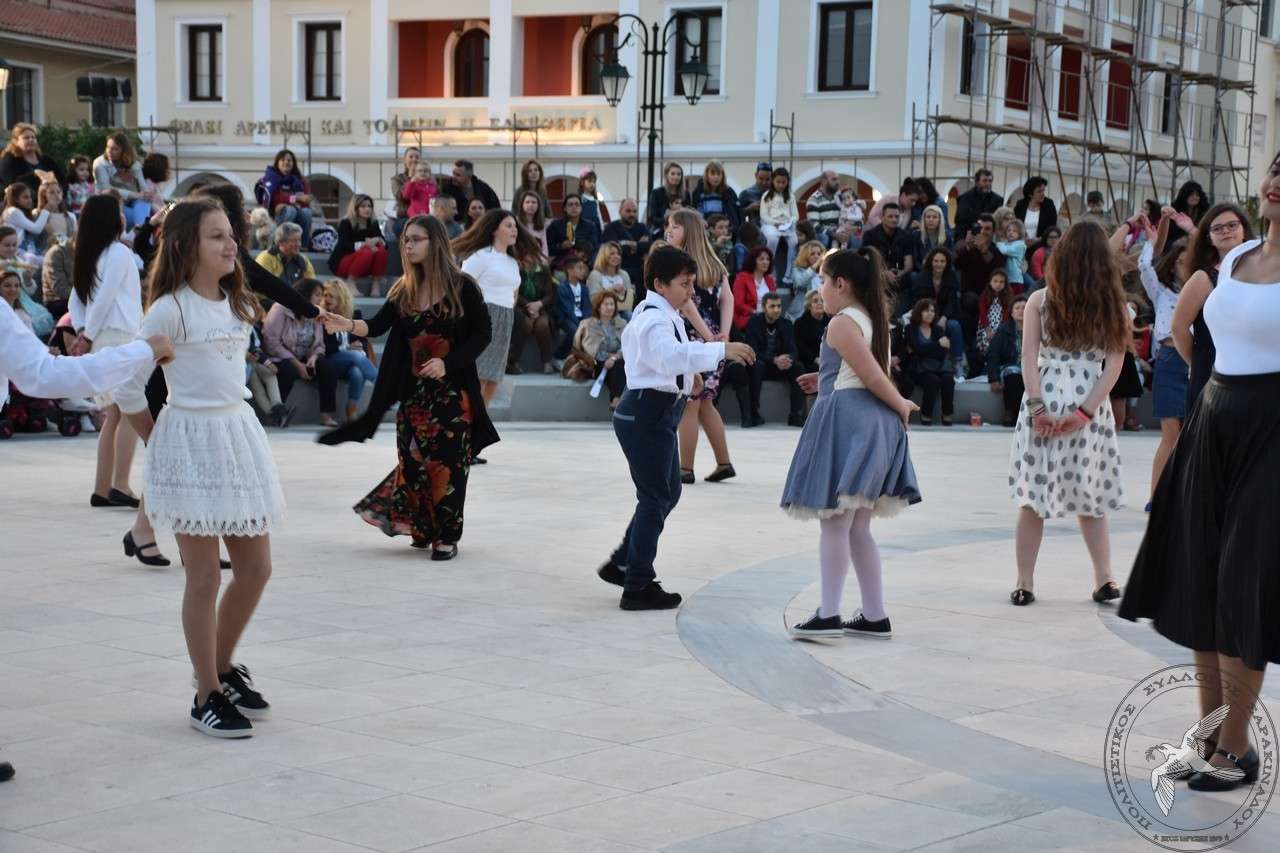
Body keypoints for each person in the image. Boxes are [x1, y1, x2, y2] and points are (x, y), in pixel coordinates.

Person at [1120, 156, 1280, 796]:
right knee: (1202, 578)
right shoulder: (1236, 258)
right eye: (1275, 169)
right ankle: (1211, 736)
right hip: (1215, 419)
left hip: (1273, 431)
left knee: (1244, 584)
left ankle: (1237, 747)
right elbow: (1190, 332)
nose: (1277, 181)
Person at [113, 198, 281, 738]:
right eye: (217, 237)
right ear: (188, 246)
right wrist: (157, 438)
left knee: (256, 569)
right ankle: (206, 694)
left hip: (237, 438)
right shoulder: (169, 310)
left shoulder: (238, 303)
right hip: (190, 445)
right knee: (205, 577)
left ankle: (223, 667)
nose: (231, 245)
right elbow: (127, 384)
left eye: (231, 235)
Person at [320, 214, 499, 561]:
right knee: (414, 463)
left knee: (448, 466)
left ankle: (446, 537)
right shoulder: (404, 289)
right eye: (405, 240)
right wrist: (347, 324)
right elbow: (376, 326)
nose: (408, 245)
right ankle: (425, 527)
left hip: (453, 394)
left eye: (416, 239)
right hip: (414, 396)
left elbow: (483, 334)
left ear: (436, 242)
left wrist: (448, 362)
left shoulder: (462, 286)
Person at [595, 245, 755, 610]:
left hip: (655, 412)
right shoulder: (654, 319)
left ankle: (625, 561)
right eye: (684, 284)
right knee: (655, 497)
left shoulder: (660, 312)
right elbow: (667, 356)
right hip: (645, 414)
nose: (691, 291)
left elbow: (663, 359)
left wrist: (688, 377)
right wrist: (720, 351)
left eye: (691, 283)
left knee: (667, 492)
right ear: (659, 284)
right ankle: (637, 585)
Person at [782, 248, 921, 639]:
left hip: (852, 422)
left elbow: (874, 377)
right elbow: (861, 370)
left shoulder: (842, 323)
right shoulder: (872, 318)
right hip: (872, 422)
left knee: (834, 522)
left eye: (823, 281)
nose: (820, 289)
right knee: (858, 528)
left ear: (841, 284)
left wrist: (901, 403)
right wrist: (823, 376)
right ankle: (874, 614)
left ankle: (828, 613)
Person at [1007, 220, 1129, 607]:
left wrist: (1037, 406)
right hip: (1088, 400)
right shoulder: (1113, 304)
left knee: (1033, 497)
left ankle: (1024, 582)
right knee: (1090, 495)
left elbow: (1028, 357)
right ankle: (1105, 578)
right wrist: (1086, 412)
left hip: (1044, 392)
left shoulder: (1040, 300)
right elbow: (1114, 365)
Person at [68, 195, 169, 566]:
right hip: (120, 335)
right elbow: (107, 297)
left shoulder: (88, 255)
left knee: (113, 415)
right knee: (126, 411)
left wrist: (84, 331)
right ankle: (120, 484)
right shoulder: (119, 254)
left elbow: (77, 302)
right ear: (114, 220)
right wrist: (88, 334)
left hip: (102, 336)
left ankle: (102, 486)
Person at [666, 208, 741, 484]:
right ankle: (724, 462)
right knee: (706, 402)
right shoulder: (715, 262)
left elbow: (687, 305)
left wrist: (708, 338)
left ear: (688, 231)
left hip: (692, 339)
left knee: (690, 403)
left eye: (674, 226)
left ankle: (685, 469)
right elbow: (728, 299)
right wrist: (724, 333)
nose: (668, 230)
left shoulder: (679, 264)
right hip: (715, 341)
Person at [1170, 202, 1253, 415]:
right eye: (1218, 228)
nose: (1226, 231)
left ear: (1244, 229)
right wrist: (1198, 363)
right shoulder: (1203, 278)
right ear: (1209, 238)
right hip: (1212, 377)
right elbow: (1178, 327)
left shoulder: (1264, 273)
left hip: (1256, 375)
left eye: (1232, 225)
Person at [455, 208, 543, 405]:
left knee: (493, 379)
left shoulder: (512, 262)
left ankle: (480, 420)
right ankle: (466, 420)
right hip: (482, 318)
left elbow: (513, 293)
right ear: (495, 229)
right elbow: (461, 289)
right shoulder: (479, 257)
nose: (514, 230)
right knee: (477, 377)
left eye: (515, 226)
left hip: (505, 319)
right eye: (508, 226)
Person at [263, 278, 340, 427]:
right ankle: (278, 413)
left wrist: (314, 357)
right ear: (305, 295)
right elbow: (271, 342)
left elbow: (320, 345)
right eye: (317, 295)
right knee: (288, 371)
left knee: (327, 368)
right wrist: (297, 364)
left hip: (304, 357)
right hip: (280, 357)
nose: (321, 299)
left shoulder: (316, 313)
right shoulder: (281, 309)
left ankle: (326, 415)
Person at [743, 291, 806, 427]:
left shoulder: (786, 324)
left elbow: (794, 350)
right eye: (772, 306)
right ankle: (754, 413)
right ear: (764, 307)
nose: (777, 310)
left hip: (780, 366)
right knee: (758, 365)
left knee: (798, 367)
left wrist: (787, 359)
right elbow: (752, 351)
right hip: (762, 365)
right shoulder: (754, 323)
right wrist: (774, 360)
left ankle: (796, 414)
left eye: (779, 306)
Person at [321, 280, 378, 422]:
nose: (327, 299)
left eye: (331, 296)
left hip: (351, 360)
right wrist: (347, 348)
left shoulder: (354, 314)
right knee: (354, 355)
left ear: (341, 298)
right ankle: (381, 384)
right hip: (331, 360)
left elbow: (363, 340)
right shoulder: (323, 316)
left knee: (357, 372)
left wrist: (360, 347)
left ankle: (351, 408)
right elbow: (325, 347)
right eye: (325, 295)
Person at [905, 247, 966, 377]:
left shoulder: (951, 277)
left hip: (944, 315)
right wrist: (931, 317)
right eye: (936, 261)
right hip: (926, 316)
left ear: (947, 263)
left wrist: (943, 317)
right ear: (931, 262)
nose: (939, 264)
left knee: (954, 325)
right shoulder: (922, 277)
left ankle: (958, 363)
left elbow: (952, 303)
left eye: (942, 261)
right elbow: (918, 303)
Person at [905, 298, 957, 426]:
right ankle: (926, 414)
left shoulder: (938, 330)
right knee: (932, 380)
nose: (930, 313)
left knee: (948, 379)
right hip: (919, 368)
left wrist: (927, 350)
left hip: (937, 366)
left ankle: (947, 414)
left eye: (932, 311)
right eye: (926, 310)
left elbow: (941, 353)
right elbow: (916, 350)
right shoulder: (911, 328)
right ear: (919, 312)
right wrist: (937, 344)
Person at [510, 255, 556, 375]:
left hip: (540, 308)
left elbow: (549, 295)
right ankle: (513, 361)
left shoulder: (544, 269)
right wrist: (529, 306)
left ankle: (547, 361)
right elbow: (514, 293)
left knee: (542, 325)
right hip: (521, 307)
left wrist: (539, 304)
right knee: (525, 324)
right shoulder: (515, 268)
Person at [581, 289, 628, 409]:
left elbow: (628, 346)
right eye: (606, 304)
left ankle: (616, 400)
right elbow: (592, 350)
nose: (610, 307)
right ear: (598, 307)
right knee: (616, 367)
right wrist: (609, 357)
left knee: (619, 365)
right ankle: (616, 399)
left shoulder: (622, 323)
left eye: (612, 304)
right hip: (597, 363)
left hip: (617, 361)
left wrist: (614, 357)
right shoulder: (589, 324)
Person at [93, 133, 150, 229]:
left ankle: (141, 231)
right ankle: (141, 231)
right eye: (108, 147)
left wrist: (147, 194)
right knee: (135, 217)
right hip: (111, 202)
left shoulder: (134, 164)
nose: (109, 151)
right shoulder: (100, 164)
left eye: (115, 149)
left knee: (143, 204)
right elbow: (106, 189)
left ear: (124, 151)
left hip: (133, 201)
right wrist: (135, 195)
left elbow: (143, 186)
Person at [987, 294, 1029, 426]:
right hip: (1010, 366)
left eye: (1024, 307)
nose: (1021, 310)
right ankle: (1010, 413)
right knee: (1014, 376)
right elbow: (993, 355)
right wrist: (994, 378)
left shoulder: (1037, 329)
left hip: (1032, 366)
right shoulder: (1003, 330)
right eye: (1017, 308)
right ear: (1011, 313)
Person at [260, 149, 313, 249]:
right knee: (290, 210)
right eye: (282, 160)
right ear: (277, 162)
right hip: (275, 216)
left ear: (293, 163)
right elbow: (275, 198)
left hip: (297, 212)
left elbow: (305, 201)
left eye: (289, 160)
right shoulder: (272, 178)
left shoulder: (300, 180)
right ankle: (278, 243)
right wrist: (295, 199)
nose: (286, 162)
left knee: (307, 212)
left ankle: (303, 247)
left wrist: (290, 201)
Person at [328, 194, 388, 281]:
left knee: (381, 251)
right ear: (355, 208)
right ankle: (351, 281)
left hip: (364, 265)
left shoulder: (373, 224)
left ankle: (376, 283)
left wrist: (378, 239)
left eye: (369, 206)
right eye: (363, 206)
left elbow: (386, 246)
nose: (367, 209)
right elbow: (343, 246)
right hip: (343, 263)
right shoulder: (346, 223)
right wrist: (364, 245)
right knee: (366, 251)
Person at [602, 197, 651, 296]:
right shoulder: (611, 228)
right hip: (619, 269)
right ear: (620, 211)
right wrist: (639, 245)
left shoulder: (642, 227)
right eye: (628, 211)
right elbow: (614, 248)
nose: (632, 214)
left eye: (634, 211)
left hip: (640, 270)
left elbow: (649, 246)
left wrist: (628, 244)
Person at [0, 123, 65, 196]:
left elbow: (63, 181)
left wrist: (58, 190)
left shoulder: (46, 160)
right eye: (26, 138)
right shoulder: (9, 160)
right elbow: (11, 183)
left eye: (33, 137)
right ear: (15, 141)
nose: (31, 140)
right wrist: (34, 174)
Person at [861, 202, 915, 285]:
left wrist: (902, 272)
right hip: (877, 274)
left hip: (899, 275)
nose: (894, 220)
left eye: (896, 216)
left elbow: (909, 262)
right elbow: (866, 259)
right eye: (890, 216)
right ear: (882, 217)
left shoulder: (905, 236)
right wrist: (883, 273)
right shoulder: (870, 235)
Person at [553, 255, 594, 363]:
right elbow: (567, 310)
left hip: (581, 318)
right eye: (579, 268)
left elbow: (587, 307)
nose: (583, 271)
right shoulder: (562, 288)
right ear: (569, 270)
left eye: (583, 268)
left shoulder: (584, 288)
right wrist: (580, 325)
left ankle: (584, 359)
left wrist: (586, 321)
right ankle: (558, 356)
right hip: (566, 318)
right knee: (575, 332)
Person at [254, 222, 316, 289]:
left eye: (299, 240)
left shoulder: (303, 260)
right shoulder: (266, 258)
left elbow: (312, 286)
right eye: (294, 241)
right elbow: (261, 286)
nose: (298, 244)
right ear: (281, 242)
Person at [730, 245, 776, 333]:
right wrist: (755, 312)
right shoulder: (742, 277)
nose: (765, 262)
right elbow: (738, 304)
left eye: (768, 259)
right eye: (761, 259)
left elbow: (774, 301)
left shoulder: (770, 280)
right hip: (748, 318)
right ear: (753, 261)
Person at [547, 193, 601, 266]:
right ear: (565, 208)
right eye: (570, 205)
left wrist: (581, 249)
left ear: (581, 208)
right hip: (562, 262)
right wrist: (561, 246)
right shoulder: (555, 225)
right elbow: (548, 247)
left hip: (584, 261)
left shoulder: (590, 226)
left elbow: (594, 246)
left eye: (577, 204)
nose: (574, 207)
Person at [759, 167, 799, 262]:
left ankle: (790, 267)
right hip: (770, 224)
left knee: (794, 241)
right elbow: (763, 215)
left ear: (787, 182)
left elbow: (795, 215)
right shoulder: (766, 196)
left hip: (787, 224)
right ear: (773, 181)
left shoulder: (791, 197)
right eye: (778, 182)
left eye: (784, 182)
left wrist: (789, 222)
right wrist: (775, 223)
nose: (781, 185)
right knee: (772, 238)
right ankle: (769, 263)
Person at [2, 182, 49, 257]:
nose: (30, 200)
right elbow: (37, 229)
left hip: (23, 250)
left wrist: (37, 212)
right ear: (16, 199)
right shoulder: (13, 211)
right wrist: (46, 210)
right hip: (15, 251)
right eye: (25, 197)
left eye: (30, 197)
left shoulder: (17, 211)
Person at [689, 161, 739, 230]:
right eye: (713, 174)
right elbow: (696, 212)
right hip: (705, 229)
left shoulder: (729, 192)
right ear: (707, 176)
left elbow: (733, 214)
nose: (716, 177)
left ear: (722, 176)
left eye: (719, 174)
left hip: (725, 229)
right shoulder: (699, 192)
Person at [587, 241, 635, 314]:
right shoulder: (595, 275)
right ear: (603, 256)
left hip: (622, 310)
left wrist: (625, 292)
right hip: (602, 312)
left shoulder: (624, 274)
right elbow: (593, 300)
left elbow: (629, 300)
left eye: (618, 254)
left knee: (629, 314)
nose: (616, 256)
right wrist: (611, 290)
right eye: (612, 254)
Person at [954, 168, 1004, 236]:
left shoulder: (997, 200)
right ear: (977, 182)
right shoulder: (965, 199)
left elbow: (998, 222)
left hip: (989, 236)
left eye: (990, 181)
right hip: (968, 235)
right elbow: (960, 222)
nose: (988, 184)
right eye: (984, 181)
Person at [787, 240, 825, 320]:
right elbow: (800, 282)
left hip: (822, 313)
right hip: (802, 313)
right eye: (812, 254)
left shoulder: (825, 273)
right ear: (805, 256)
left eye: (819, 254)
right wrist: (815, 266)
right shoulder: (798, 270)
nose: (817, 256)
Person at [389, 146, 421, 234]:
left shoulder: (426, 179)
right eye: (411, 157)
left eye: (417, 157)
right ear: (405, 160)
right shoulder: (397, 179)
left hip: (423, 216)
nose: (414, 160)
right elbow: (400, 197)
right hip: (405, 218)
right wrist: (411, 178)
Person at [805, 170, 843, 246]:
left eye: (838, 179)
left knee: (854, 239)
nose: (838, 182)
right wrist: (833, 234)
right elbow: (814, 225)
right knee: (824, 238)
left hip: (840, 231)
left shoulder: (842, 197)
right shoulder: (814, 199)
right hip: (823, 233)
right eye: (834, 179)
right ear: (823, 181)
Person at [794, 289, 828, 373]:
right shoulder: (800, 323)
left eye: (822, 300)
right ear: (809, 305)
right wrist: (815, 359)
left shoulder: (831, 321)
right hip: (808, 361)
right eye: (815, 301)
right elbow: (800, 346)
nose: (820, 303)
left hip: (827, 358)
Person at [646, 162, 686, 231]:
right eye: (673, 174)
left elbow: (690, 217)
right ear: (666, 175)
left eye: (679, 174)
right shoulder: (656, 193)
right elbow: (652, 219)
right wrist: (667, 217)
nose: (676, 177)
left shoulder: (686, 194)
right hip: (662, 231)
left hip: (681, 231)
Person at [1168, 179, 1209, 245]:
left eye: (1197, 195)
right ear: (1184, 195)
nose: (1195, 197)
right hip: (1176, 247)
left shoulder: (1204, 214)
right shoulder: (1175, 213)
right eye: (1191, 194)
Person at [994, 218, 1030, 289]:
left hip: (1015, 279)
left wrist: (998, 244)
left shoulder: (1020, 245)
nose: (1011, 233)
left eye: (1014, 231)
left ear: (1020, 233)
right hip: (1007, 278)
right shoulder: (1007, 244)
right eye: (1008, 230)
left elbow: (1005, 251)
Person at [514, 188, 549, 258]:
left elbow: (544, 247)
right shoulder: (515, 222)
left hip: (537, 259)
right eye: (527, 202)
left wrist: (543, 260)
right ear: (522, 205)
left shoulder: (541, 224)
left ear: (538, 205)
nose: (531, 205)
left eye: (534, 202)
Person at [578, 169, 605, 234]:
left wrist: (602, 228)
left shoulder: (596, 200)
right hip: (584, 228)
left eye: (594, 182)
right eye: (589, 181)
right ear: (582, 182)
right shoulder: (580, 199)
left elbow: (599, 215)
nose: (592, 184)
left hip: (596, 228)